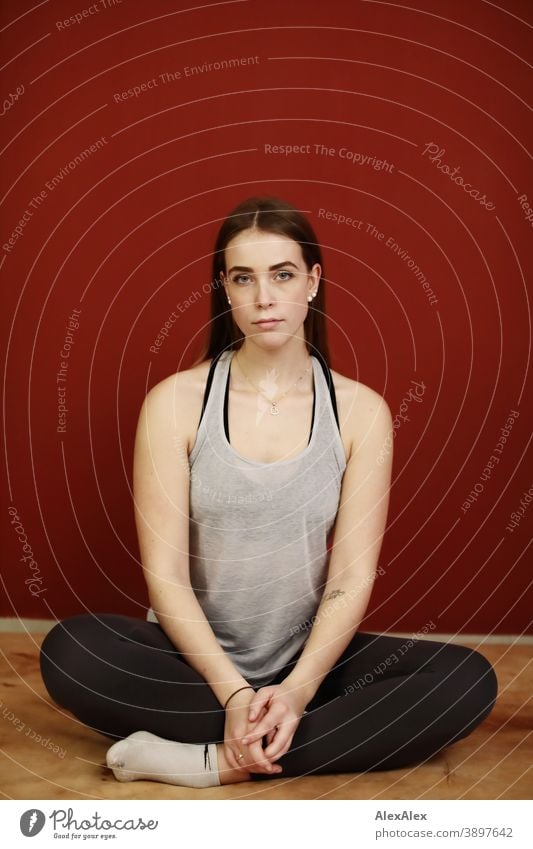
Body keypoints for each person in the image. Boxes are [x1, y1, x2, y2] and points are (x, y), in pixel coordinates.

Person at [40, 196, 498, 788]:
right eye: (243, 278)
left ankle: (214, 761)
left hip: (307, 662)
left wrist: (299, 689)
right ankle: (265, 736)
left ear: (312, 282)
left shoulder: (361, 412)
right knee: (70, 652)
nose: (264, 297)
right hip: (189, 664)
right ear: (225, 290)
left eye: (282, 275)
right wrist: (233, 694)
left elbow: (351, 578)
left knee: (468, 680)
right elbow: (167, 578)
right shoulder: (175, 403)